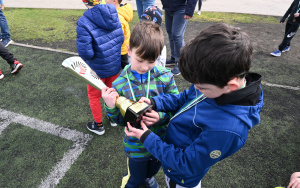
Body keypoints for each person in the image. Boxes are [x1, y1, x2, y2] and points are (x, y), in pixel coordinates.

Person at [125, 23, 264, 188]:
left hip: (182, 178)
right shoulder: (213, 82)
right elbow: (186, 97)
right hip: (171, 161)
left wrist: (146, 137)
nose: (196, 89)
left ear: (231, 86)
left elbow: (186, 164)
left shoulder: (228, 129)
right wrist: (156, 102)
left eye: (201, 88)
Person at [102, 21, 179, 188]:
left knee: (152, 171)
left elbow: (177, 108)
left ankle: (149, 178)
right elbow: (121, 121)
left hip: (160, 142)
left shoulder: (166, 77)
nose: (145, 67)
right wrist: (110, 106)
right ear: (129, 51)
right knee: (135, 180)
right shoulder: (119, 84)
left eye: (151, 61)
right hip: (135, 146)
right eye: (140, 60)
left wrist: (161, 116)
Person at [77, 0, 124, 135]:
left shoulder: (83, 22)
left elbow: (86, 52)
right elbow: (120, 38)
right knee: (112, 91)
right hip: (114, 64)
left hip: (96, 69)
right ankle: (113, 117)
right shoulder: (113, 12)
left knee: (94, 96)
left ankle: (98, 125)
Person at [162, 0, 198, 75]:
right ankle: (174, 58)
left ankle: (180, 62)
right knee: (170, 33)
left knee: (177, 35)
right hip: (168, 8)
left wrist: (189, 11)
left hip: (181, 8)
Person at [113, 0, 133, 69]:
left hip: (120, 51)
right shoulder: (120, 12)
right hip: (124, 49)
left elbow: (117, 37)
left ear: (114, 1)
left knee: (126, 70)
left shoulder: (117, 17)